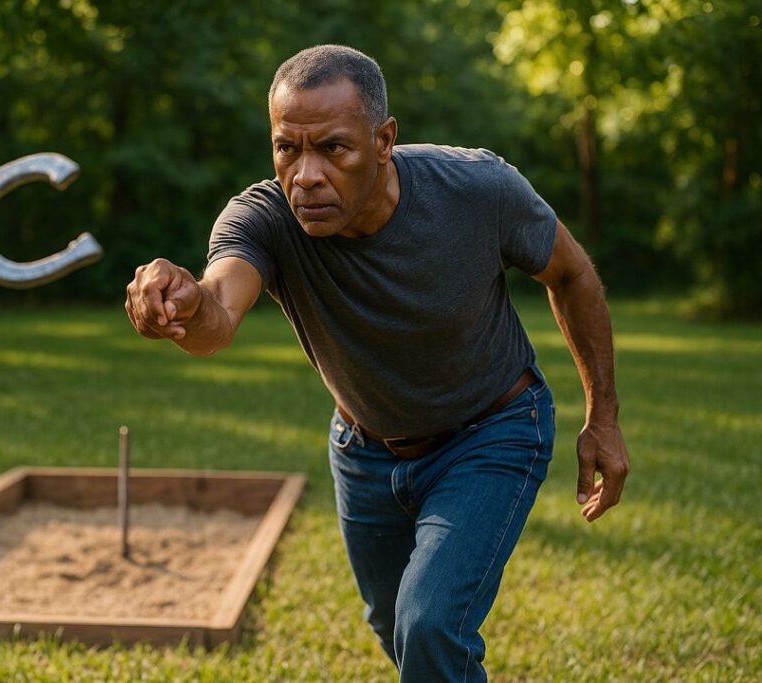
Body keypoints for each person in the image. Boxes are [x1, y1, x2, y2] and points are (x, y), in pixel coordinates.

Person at [124, 44, 630, 682]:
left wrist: (603, 416)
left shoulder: (477, 190)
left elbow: (574, 272)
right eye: (287, 148)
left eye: (332, 149)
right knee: (394, 626)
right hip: (364, 451)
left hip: (492, 431)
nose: (305, 174)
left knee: (429, 623)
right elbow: (217, 320)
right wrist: (188, 302)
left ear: (384, 139)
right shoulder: (264, 218)